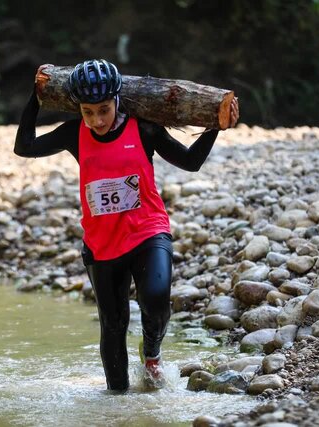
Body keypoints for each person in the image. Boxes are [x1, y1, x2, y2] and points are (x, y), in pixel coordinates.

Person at [14, 59, 239, 392]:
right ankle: (117, 402)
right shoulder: (75, 134)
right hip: (101, 246)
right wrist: (36, 98)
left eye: (103, 110)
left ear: (118, 99)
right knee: (113, 325)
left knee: (157, 298)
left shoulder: (143, 129)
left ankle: (151, 353)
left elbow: (190, 162)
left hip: (148, 231)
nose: (97, 120)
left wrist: (214, 126)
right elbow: (24, 147)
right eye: (88, 112)